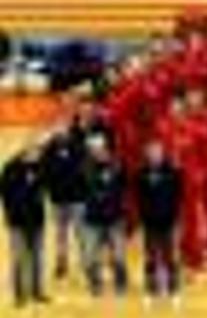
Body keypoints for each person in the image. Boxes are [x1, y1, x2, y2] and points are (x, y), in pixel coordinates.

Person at [0, 143, 49, 307]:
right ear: (24, 152)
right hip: (17, 222)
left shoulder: (39, 168)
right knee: (18, 258)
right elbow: (7, 196)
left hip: (37, 220)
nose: (37, 156)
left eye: (37, 153)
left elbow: (43, 190)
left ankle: (37, 291)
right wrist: (27, 185)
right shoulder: (10, 169)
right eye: (34, 152)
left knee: (37, 257)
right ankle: (19, 295)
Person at [135, 141, 183, 307]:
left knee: (170, 257)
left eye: (157, 153)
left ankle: (174, 290)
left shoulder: (173, 172)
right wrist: (142, 219)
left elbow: (178, 196)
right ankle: (151, 290)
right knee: (150, 258)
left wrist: (175, 217)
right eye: (151, 154)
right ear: (147, 156)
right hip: (150, 224)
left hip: (168, 222)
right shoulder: (141, 174)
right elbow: (139, 199)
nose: (155, 156)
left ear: (162, 154)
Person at [81, 135, 128, 297]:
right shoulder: (86, 168)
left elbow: (122, 187)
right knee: (91, 256)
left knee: (118, 255)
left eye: (100, 149)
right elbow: (85, 188)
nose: (97, 152)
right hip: (93, 219)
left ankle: (121, 283)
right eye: (94, 150)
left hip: (114, 218)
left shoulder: (117, 166)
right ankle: (95, 284)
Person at [41, 124, 87, 280]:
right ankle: (61, 262)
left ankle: (86, 262)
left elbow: (83, 169)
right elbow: (44, 172)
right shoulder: (48, 151)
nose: (61, 136)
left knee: (80, 232)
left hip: (76, 199)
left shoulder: (77, 148)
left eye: (64, 133)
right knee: (61, 234)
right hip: (58, 199)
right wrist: (50, 191)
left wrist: (81, 189)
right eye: (58, 134)